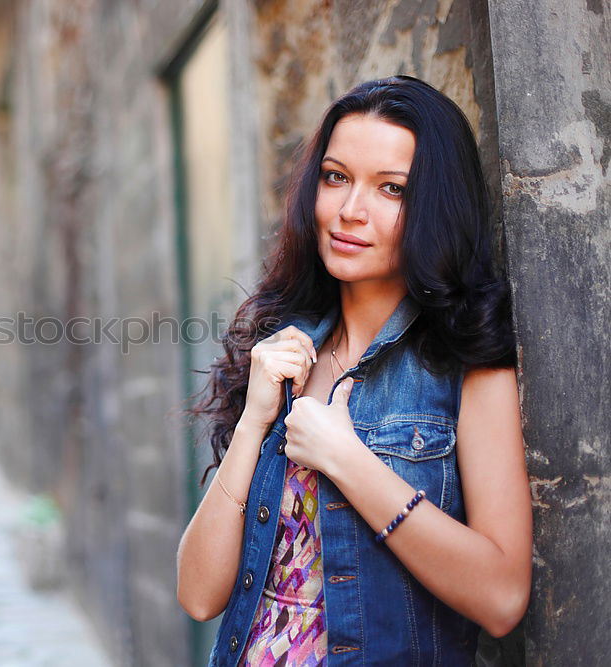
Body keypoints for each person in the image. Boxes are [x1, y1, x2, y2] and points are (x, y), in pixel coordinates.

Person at [175, 75, 533, 666]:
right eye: (335, 177)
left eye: (391, 189)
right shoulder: (284, 352)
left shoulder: (465, 363)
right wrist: (254, 422)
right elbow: (197, 594)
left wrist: (346, 459)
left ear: (434, 209)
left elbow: (502, 596)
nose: (349, 211)